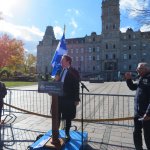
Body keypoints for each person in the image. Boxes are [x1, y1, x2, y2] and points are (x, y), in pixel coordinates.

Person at [125, 62, 150, 150]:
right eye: (137, 68)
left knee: (148, 136)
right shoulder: (141, 78)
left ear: (146, 69)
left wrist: (148, 113)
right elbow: (133, 87)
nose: (137, 70)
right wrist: (128, 79)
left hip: (146, 115)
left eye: (139, 68)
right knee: (136, 133)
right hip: (138, 113)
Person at [57, 54, 80, 140]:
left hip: (68, 99)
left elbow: (76, 86)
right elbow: (57, 83)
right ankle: (56, 131)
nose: (61, 62)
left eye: (62, 60)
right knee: (58, 115)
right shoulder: (61, 71)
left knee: (68, 117)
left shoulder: (74, 71)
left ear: (68, 61)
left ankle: (67, 133)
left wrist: (76, 99)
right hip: (59, 98)